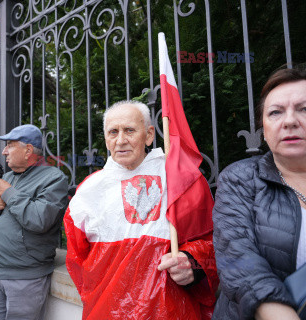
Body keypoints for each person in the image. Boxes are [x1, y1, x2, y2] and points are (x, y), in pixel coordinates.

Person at [64, 101, 218, 319]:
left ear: (148, 135)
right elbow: (76, 260)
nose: (120, 140)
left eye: (129, 130)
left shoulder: (181, 180)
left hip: (170, 310)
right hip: (106, 309)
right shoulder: (89, 190)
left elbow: (213, 240)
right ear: (106, 139)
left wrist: (191, 262)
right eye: (113, 132)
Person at [213, 67, 306, 320]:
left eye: (303, 109)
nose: (289, 121)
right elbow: (239, 259)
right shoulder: (239, 178)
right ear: (263, 129)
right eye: (275, 112)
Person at [0, 124, 69, 320]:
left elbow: (40, 219)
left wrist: (8, 192)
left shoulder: (54, 178)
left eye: (9, 145)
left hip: (24, 276)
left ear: (28, 150)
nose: (4, 152)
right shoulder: (7, 177)